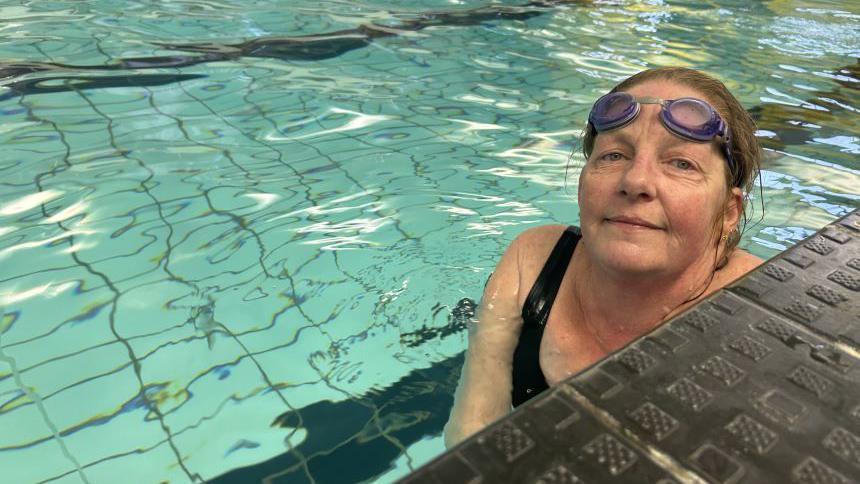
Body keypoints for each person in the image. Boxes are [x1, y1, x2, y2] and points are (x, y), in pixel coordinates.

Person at [444, 67, 764, 447]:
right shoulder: (532, 262)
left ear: (729, 212)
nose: (635, 182)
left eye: (681, 163)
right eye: (614, 155)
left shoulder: (759, 309)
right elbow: (473, 430)